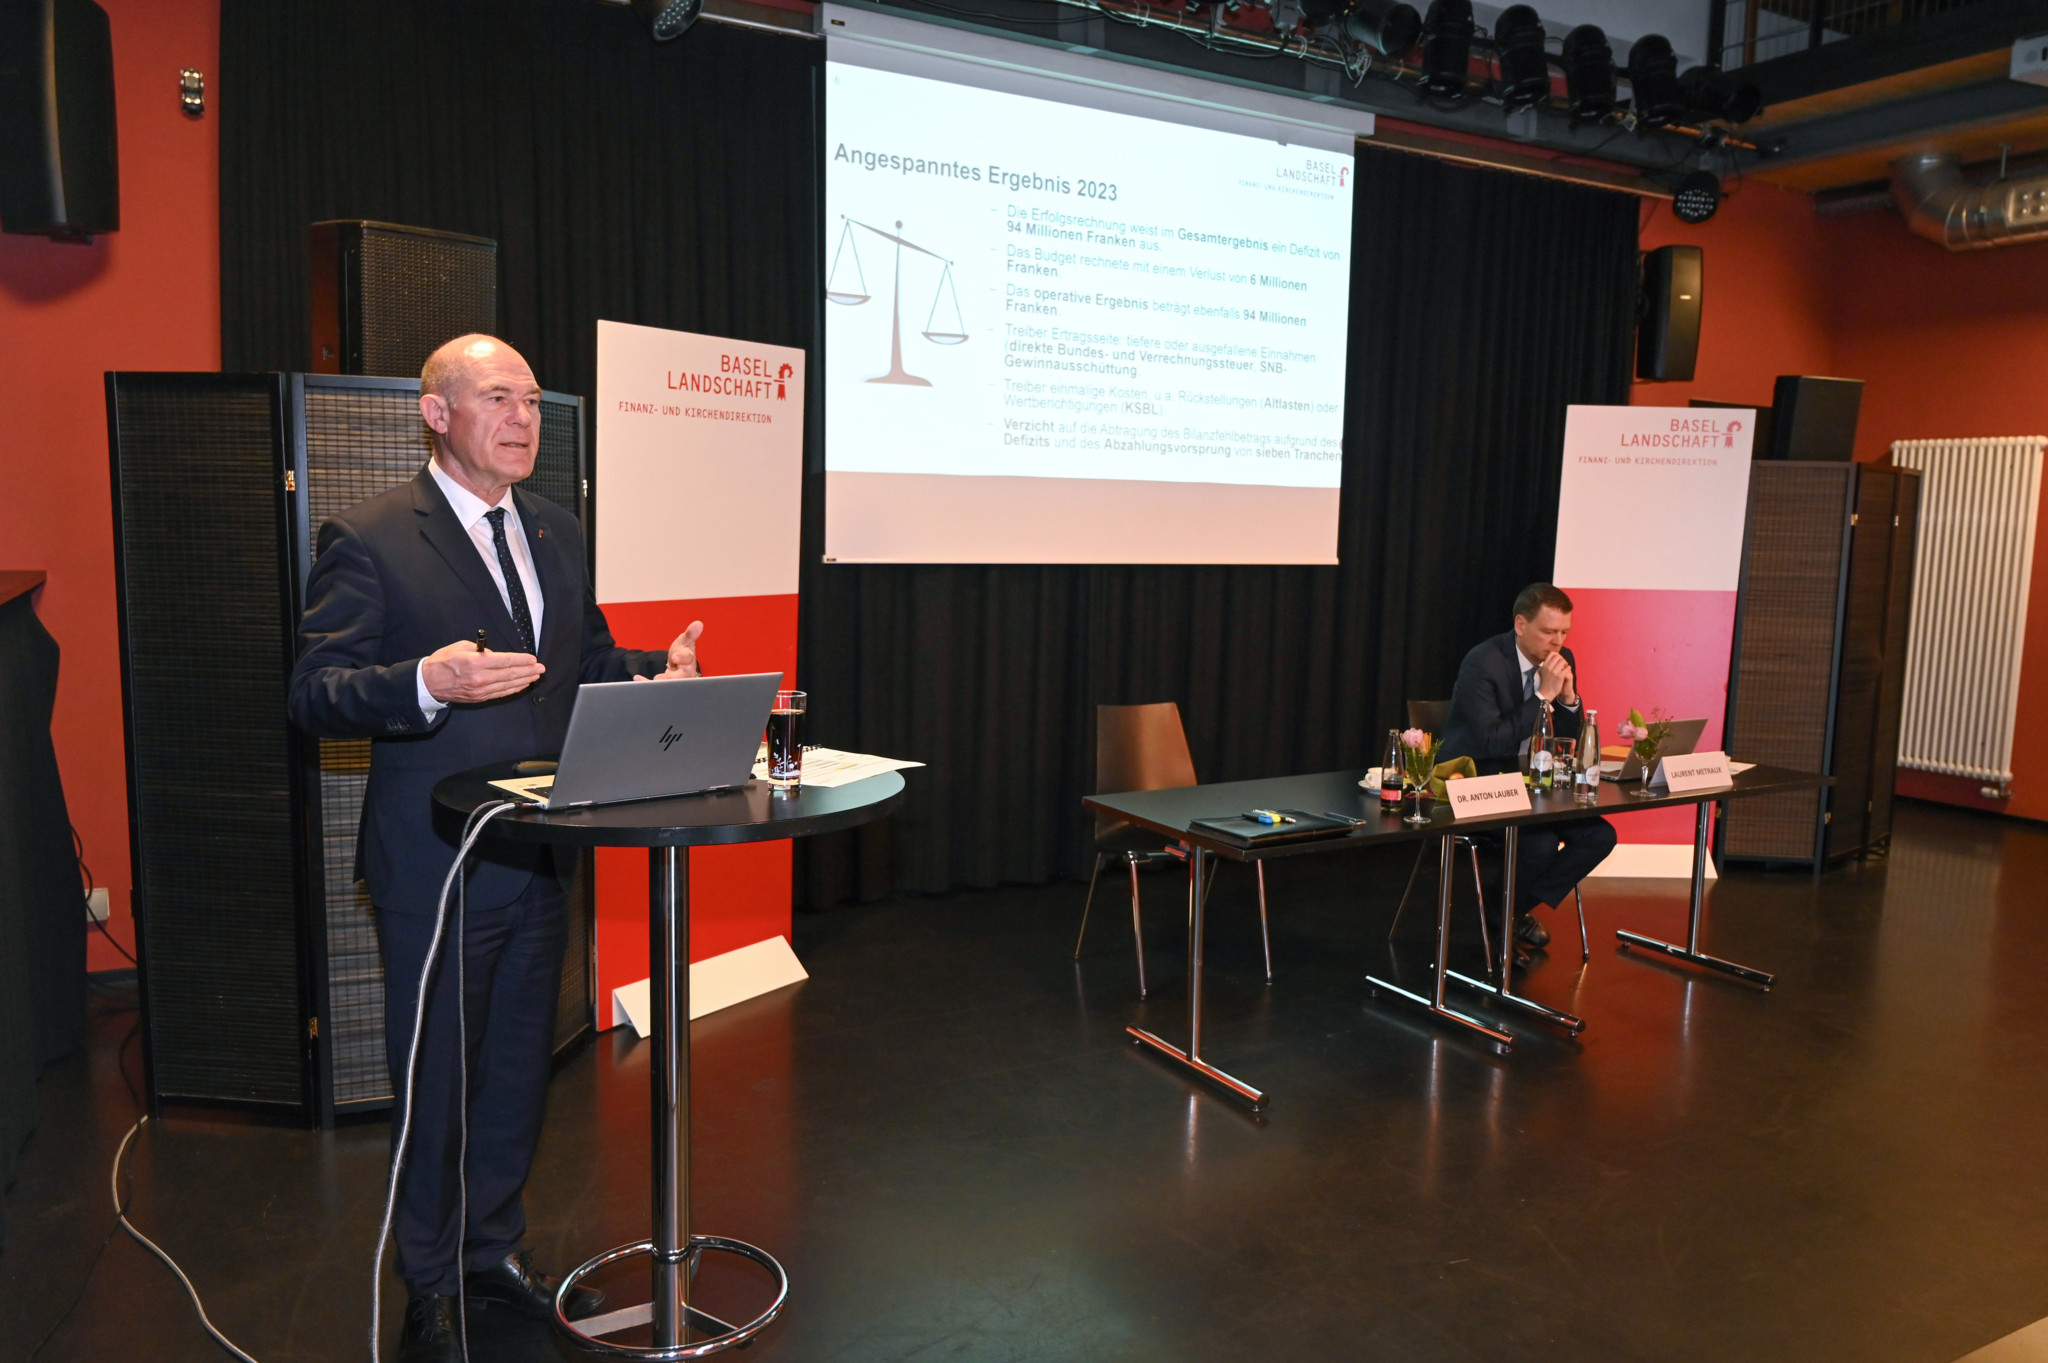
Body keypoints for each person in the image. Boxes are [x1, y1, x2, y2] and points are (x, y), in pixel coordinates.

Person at [288, 335, 705, 1363]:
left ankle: (489, 1254)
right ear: (436, 414)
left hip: (539, 852)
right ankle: (428, 1288)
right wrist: (426, 682)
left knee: (516, 1072)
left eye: (529, 400)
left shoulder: (556, 530)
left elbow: (585, 659)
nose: (521, 418)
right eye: (495, 398)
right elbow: (312, 694)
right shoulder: (373, 535)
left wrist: (653, 673)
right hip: (437, 862)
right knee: (436, 1082)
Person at [1440, 583, 1616, 950]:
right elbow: (1491, 741)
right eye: (1548, 632)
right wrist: (1542, 697)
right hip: (1478, 779)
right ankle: (1506, 916)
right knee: (1539, 845)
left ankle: (1506, 908)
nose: (1558, 642)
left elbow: (1566, 740)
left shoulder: (1561, 658)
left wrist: (1568, 700)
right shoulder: (1483, 661)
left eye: (1564, 631)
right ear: (1520, 625)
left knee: (1600, 836)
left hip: (1534, 782)